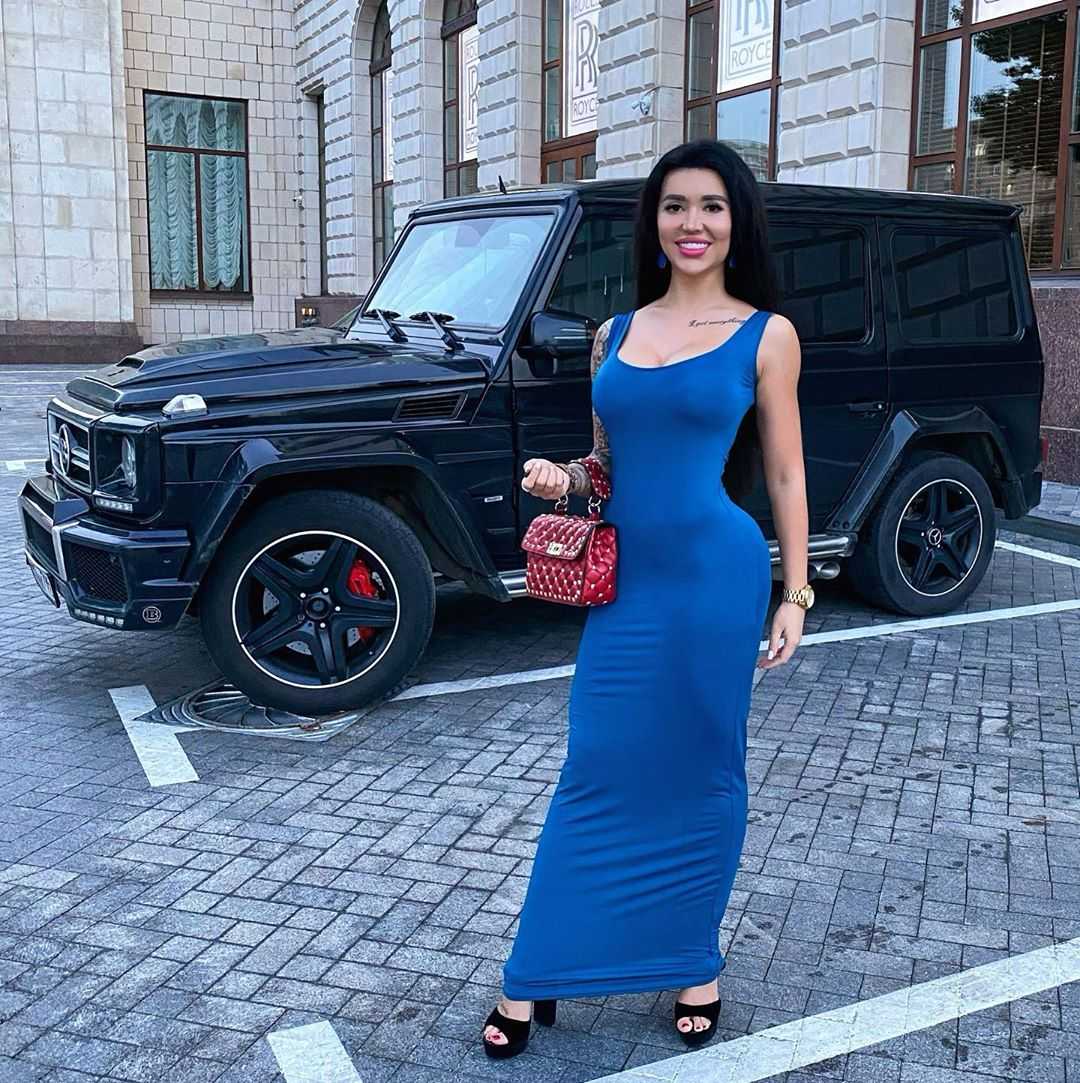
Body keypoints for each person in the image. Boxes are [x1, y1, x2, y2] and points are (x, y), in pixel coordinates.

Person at [482, 138, 810, 1059]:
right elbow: (608, 466)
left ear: (736, 222)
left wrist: (795, 591)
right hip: (630, 587)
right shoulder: (613, 334)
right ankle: (534, 971)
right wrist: (565, 479)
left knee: (703, 770)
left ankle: (694, 963)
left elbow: (785, 472)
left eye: (711, 206)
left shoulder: (766, 335)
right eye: (674, 206)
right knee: (597, 765)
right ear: (653, 222)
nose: (691, 223)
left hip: (717, 579)